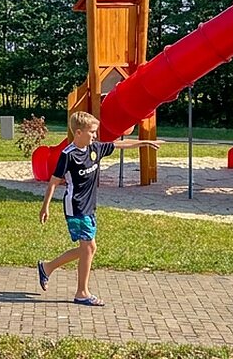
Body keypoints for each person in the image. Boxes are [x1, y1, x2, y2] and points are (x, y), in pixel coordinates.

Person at [36, 110, 159, 306]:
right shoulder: (68, 155)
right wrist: (45, 207)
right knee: (88, 248)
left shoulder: (94, 149)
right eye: (91, 132)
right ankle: (81, 293)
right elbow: (53, 182)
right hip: (75, 207)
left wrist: (143, 143)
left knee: (90, 248)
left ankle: (47, 267)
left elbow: (118, 144)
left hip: (89, 206)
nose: (95, 135)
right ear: (78, 133)